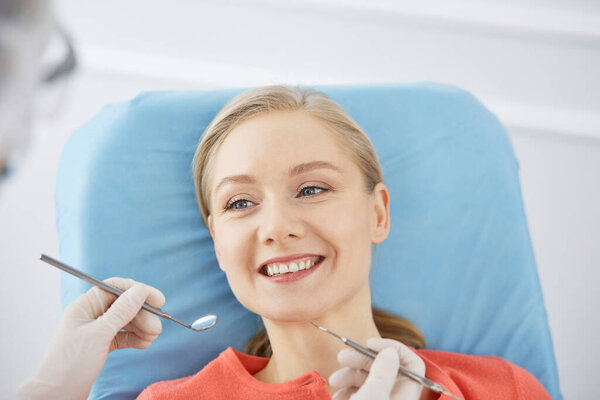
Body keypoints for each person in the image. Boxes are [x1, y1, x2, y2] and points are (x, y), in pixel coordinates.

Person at [17, 85, 552, 400]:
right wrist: (47, 390)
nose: (274, 227)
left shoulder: (502, 389)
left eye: (312, 188)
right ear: (217, 243)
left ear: (378, 212)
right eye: (240, 203)